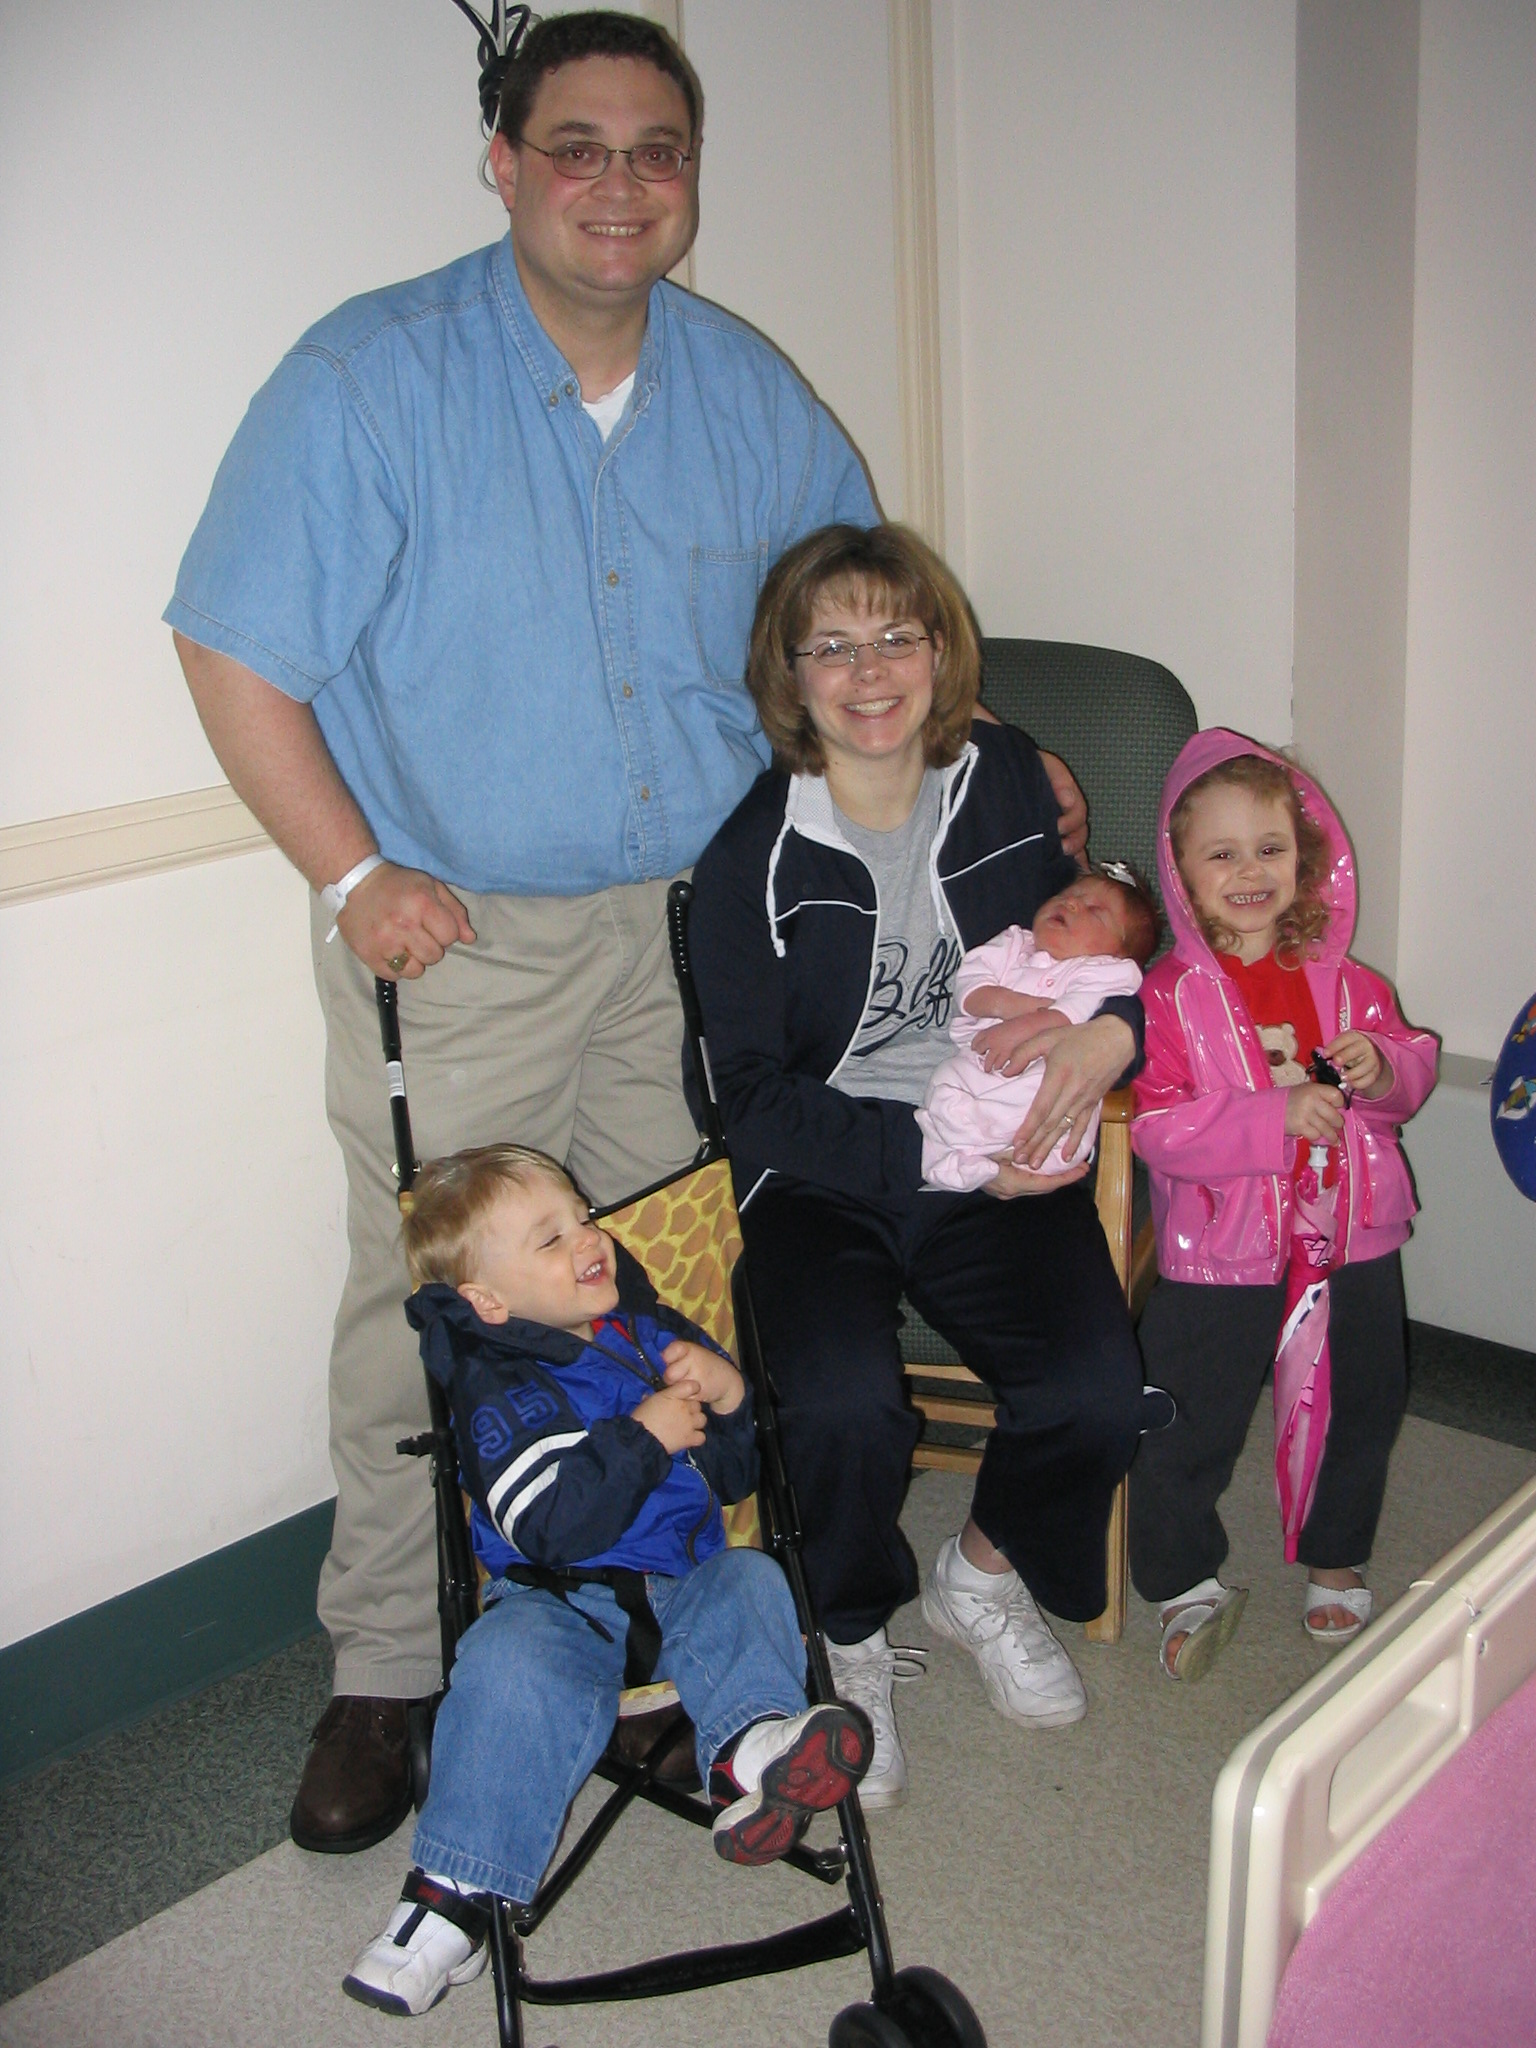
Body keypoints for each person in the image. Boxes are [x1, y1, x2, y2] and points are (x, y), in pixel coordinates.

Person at [163, 11, 1088, 1849]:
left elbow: (862, 627)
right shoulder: (367, 380)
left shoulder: (748, 391)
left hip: (697, 936)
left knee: (666, 1291)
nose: (617, 183)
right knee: (434, 1306)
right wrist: (353, 878)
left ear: (690, 175)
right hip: (464, 946)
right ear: (501, 161)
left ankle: (670, 1658)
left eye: (655, 149)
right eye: (573, 145)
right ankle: (390, 1664)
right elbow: (233, 647)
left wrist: (998, 746)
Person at [688, 523, 1166, 1808]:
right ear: (790, 674)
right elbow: (744, 1097)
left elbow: (1108, 941)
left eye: (897, 635)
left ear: (942, 653)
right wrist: (937, 1153)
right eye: (832, 645)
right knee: (842, 1402)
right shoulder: (750, 857)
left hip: (996, 1141)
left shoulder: (1006, 779)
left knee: (1095, 1392)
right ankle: (850, 1632)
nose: (870, 670)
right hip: (828, 1166)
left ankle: (981, 1579)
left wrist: (1118, 1028)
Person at [343, 1143, 871, 2017]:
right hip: (562, 1600)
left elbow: (735, 1481)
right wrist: (643, 1436)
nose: (589, 1239)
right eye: (550, 1239)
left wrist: (730, 1398)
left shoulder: (652, 1333)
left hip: (686, 1588)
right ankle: (450, 1898)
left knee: (753, 1580)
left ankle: (752, 1755)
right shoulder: (498, 1386)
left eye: (582, 1218)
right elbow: (548, 1524)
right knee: (504, 1664)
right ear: (488, 1301)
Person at [1129, 733, 1437, 1680]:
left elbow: (1409, 1076)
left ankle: (1336, 1552)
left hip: (1352, 1231)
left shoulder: (1353, 984)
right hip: (1220, 1245)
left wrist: (1385, 1069)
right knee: (1189, 1409)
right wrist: (1273, 1118)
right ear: (1181, 872)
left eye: (1270, 848)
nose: (1249, 871)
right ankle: (1181, 1575)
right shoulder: (1169, 996)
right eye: (1221, 853)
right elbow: (1158, 1127)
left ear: (1305, 858)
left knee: (1365, 1395)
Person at [917, 869, 1160, 1191]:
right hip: (981, 1062)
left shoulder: (1109, 971)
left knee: (1047, 1097)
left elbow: (1075, 1010)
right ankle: (959, 1158)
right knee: (945, 1077)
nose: (1071, 904)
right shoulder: (1013, 942)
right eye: (1066, 895)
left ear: (1119, 952)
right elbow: (970, 986)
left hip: (1047, 1073)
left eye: (1094, 910)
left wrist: (1027, 1025)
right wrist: (1010, 1005)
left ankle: (973, 1142)